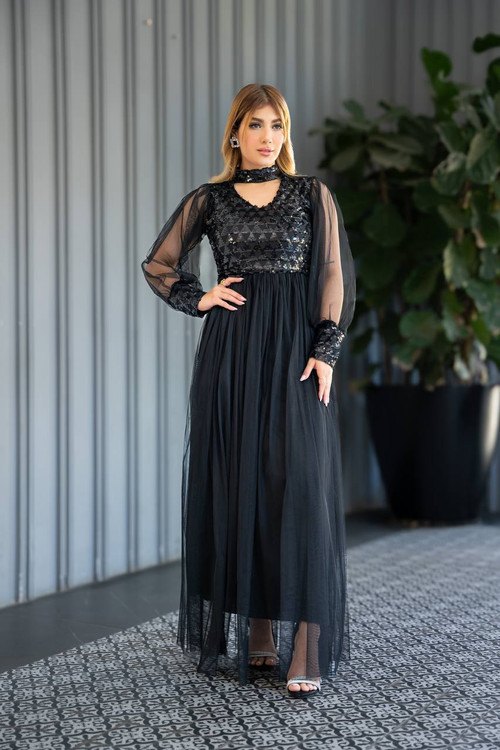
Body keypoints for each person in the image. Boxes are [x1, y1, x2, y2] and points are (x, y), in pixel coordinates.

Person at [141, 83, 356, 698]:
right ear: (235, 133)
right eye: (256, 125)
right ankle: (257, 631)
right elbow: (159, 265)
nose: (268, 137)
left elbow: (332, 272)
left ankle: (306, 641)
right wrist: (200, 297)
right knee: (243, 482)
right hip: (231, 356)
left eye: (277, 125)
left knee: (300, 485)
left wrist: (326, 350)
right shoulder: (208, 200)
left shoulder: (310, 194)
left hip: (294, 354)